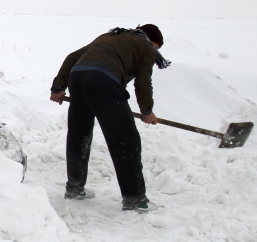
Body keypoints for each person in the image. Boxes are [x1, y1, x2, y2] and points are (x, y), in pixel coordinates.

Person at [50, 25, 171, 213]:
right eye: (157, 47)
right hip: (104, 81)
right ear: (152, 41)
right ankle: (135, 199)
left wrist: (58, 87)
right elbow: (143, 80)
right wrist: (147, 110)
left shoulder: (108, 37)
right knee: (125, 140)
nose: (156, 53)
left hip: (78, 78)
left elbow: (73, 57)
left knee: (79, 134)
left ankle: (75, 188)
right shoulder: (146, 47)